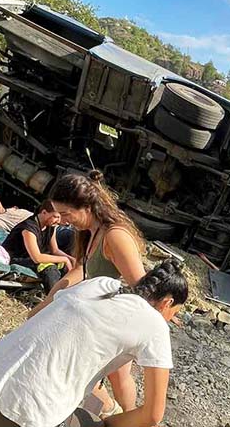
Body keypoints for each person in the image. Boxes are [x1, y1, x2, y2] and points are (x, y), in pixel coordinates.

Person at [0, 259, 187, 427]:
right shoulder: (154, 324)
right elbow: (153, 415)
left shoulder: (100, 284)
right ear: (167, 303)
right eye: (173, 313)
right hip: (18, 420)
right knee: (93, 422)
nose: (169, 319)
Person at [28, 170, 146, 416]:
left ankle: (129, 417)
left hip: (116, 320)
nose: (62, 220)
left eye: (66, 214)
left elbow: (142, 287)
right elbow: (80, 271)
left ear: (86, 207)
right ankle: (113, 414)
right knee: (95, 376)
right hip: (95, 315)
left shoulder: (115, 236)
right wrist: (50, 299)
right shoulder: (89, 233)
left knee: (114, 377)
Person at [1, 200, 74, 292]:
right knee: (48, 267)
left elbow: (55, 250)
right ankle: (53, 299)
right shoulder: (28, 228)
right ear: (44, 212)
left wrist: (71, 259)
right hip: (17, 258)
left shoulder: (51, 226)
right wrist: (64, 259)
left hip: (33, 258)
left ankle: (69, 294)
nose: (58, 221)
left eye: (60, 217)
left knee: (64, 265)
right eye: (55, 217)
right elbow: (37, 257)